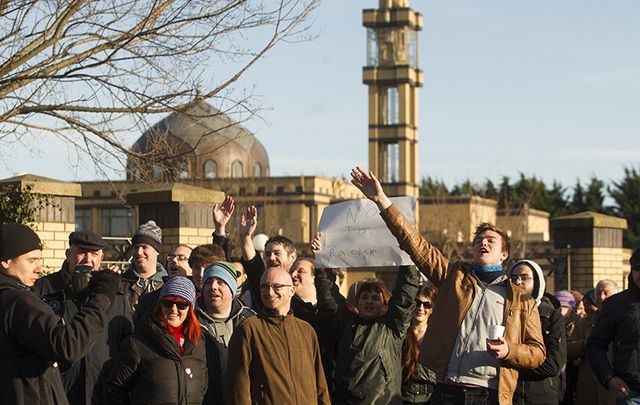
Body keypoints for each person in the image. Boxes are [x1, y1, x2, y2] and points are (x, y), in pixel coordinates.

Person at [350, 166, 545, 405]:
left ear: (504, 254)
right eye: (478, 241)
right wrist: (382, 201)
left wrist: (509, 351)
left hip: (489, 394)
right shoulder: (454, 277)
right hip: (447, 389)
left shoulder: (521, 299)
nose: (483, 243)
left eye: (490, 240)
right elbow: (416, 245)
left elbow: (538, 353)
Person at [0, 223, 120, 405]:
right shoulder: (19, 301)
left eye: (95, 254)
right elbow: (69, 345)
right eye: (31, 261)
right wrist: (102, 297)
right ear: (6, 261)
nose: (38, 269)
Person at [34, 231, 133, 405]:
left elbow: (127, 348)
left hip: (103, 394)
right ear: (68, 255)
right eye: (82, 252)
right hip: (58, 394)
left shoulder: (115, 296)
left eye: (94, 254)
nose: (88, 259)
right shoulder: (45, 290)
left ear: (101, 258)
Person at [316, 264, 419, 404]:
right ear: (357, 303)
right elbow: (328, 295)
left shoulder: (392, 326)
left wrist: (407, 260)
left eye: (375, 298)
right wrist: (323, 264)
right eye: (365, 297)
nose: (369, 301)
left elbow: (405, 294)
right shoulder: (345, 323)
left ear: (384, 306)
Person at [227, 267, 330, 404]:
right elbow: (239, 388)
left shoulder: (306, 330)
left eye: (277, 286)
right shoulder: (248, 329)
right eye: (264, 287)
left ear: (291, 290)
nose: (269, 292)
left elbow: (320, 384)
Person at [105, 276, 207, 404]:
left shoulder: (198, 343)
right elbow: (115, 389)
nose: (174, 310)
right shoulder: (138, 343)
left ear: (190, 309)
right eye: (168, 303)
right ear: (160, 305)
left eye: (181, 305)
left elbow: (203, 388)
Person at [508, 260, 567, 405]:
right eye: (514, 278)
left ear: (538, 282)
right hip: (508, 395)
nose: (518, 282)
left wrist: (510, 359)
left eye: (524, 277)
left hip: (541, 396)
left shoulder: (551, 316)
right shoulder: (501, 312)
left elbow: (552, 364)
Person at [196, 261, 255, 404]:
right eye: (208, 282)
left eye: (221, 282)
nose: (213, 287)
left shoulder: (250, 321)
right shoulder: (190, 321)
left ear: (232, 288)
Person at [586, 248, 640, 404]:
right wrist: (609, 377)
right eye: (637, 268)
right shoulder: (615, 304)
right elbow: (594, 345)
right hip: (630, 392)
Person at [568, 280, 619, 405]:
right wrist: (584, 345)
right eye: (598, 294)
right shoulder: (583, 323)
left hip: (615, 389)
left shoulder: (624, 321)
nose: (601, 297)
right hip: (588, 390)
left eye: (606, 293)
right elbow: (567, 349)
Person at [120, 220, 168, 315]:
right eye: (136, 247)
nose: (139, 252)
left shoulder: (167, 285)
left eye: (144, 247)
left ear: (157, 250)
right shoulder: (120, 284)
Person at [402, 285, 438, 404]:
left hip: (430, 397)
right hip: (402, 396)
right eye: (417, 303)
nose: (421, 308)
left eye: (426, 305)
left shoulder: (438, 336)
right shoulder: (401, 333)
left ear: (432, 309)